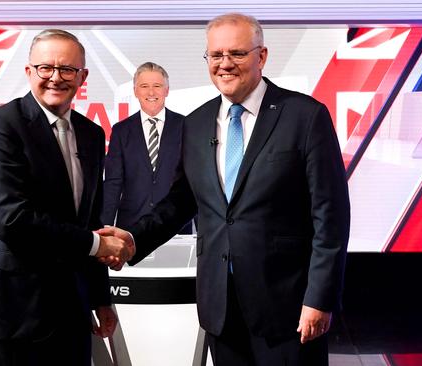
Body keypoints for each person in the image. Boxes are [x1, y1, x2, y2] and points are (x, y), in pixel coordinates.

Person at [99, 13, 350, 365]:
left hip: (287, 308)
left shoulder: (305, 116)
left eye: (237, 54)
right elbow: (182, 200)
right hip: (220, 307)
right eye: (216, 56)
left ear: (261, 56)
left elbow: (331, 216)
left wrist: (319, 298)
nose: (225, 64)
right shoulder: (197, 122)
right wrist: (133, 239)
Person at [0, 29, 133, 366]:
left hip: (71, 308)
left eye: (67, 69)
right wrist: (96, 245)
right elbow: (13, 220)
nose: (55, 78)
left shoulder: (92, 134)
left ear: (83, 76)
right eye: (45, 68)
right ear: (28, 72)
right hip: (11, 310)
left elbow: (89, 219)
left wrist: (100, 297)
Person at [102, 62, 191, 234]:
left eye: (157, 86)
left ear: (167, 90)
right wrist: (105, 226)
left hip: (176, 225)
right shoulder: (121, 130)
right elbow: (113, 182)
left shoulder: (186, 126)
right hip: (130, 227)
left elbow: (195, 181)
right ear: (135, 91)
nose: (151, 92)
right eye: (144, 86)